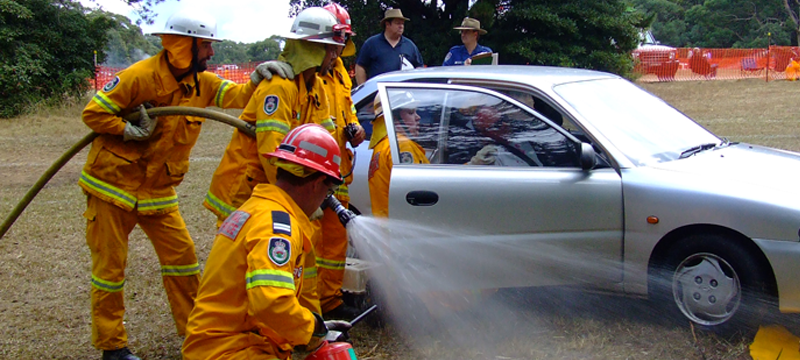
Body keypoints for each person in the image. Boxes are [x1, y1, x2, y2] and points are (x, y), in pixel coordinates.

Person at [78, 8, 284, 360]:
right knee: (110, 271)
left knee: (184, 261)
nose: (212, 53)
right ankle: (112, 347)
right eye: (206, 46)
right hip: (111, 188)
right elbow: (93, 112)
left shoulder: (200, 83)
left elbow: (234, 97)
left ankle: (196, 335)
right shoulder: (139, 77)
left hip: (158, 192)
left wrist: (258, 80)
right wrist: (126, 130)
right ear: (182, 46)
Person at [182, 124, 352, 360]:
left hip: (230, 343)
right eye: (329, 189)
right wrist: (311, 329)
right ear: (316, 182)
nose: (326, 198)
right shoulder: (277, 228)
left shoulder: (258, 209)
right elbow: (271, 302)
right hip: (231, 351)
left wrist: (314, 330)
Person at [203, 7, 345, 226]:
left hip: (280, 188)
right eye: (330, 50)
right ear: (311, 50)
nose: (335, 57)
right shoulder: (278, 87)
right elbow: (272, 149)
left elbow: (325, 137)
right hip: (247, 189)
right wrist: (297, 197)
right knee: (243, 253)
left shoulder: (317, 88)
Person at [316, 2, 367, 320]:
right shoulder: (304, 77)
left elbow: (348, 114)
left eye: (342, 41)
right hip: (312, 176)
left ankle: (331, 299)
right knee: (310, 244)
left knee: (335, 244)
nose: (338, 49)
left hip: (337, 173)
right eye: (335, 41)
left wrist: (356, 129)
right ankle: (309, 305)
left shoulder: (339, 76)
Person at [368, 92, 429, 217]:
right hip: (404, 229)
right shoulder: (401, 146)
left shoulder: (383, 146)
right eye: (411, 112)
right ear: (394, 118)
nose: (418, 117)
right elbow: (421, 194)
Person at [354, 8, 424, 85]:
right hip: (378, 93)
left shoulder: (410, 45)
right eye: (397, 23)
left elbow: (419, 68)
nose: (401, 26)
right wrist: (364, 89)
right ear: (387, 24)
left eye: (402, 23)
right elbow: (360, 66)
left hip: (403, 94)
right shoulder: (371, 44)